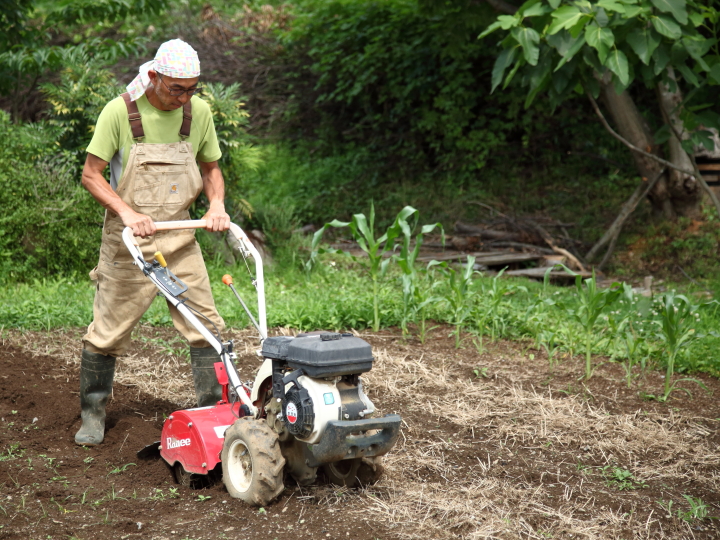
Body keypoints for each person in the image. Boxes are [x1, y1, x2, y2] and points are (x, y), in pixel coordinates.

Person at [76, 39, 230, 446]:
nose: (184, 98)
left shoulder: (197, 113)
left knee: (206, 327)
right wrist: (126, 213)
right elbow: (91, 175)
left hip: (179, 236)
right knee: (107, 333)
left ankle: (214, 413)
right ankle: (92, 412)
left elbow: (211, 168)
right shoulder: (120, 112)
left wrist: (216, 204)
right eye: (175, 89)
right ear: (154, 77)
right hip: (128, 241)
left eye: (191, 89)